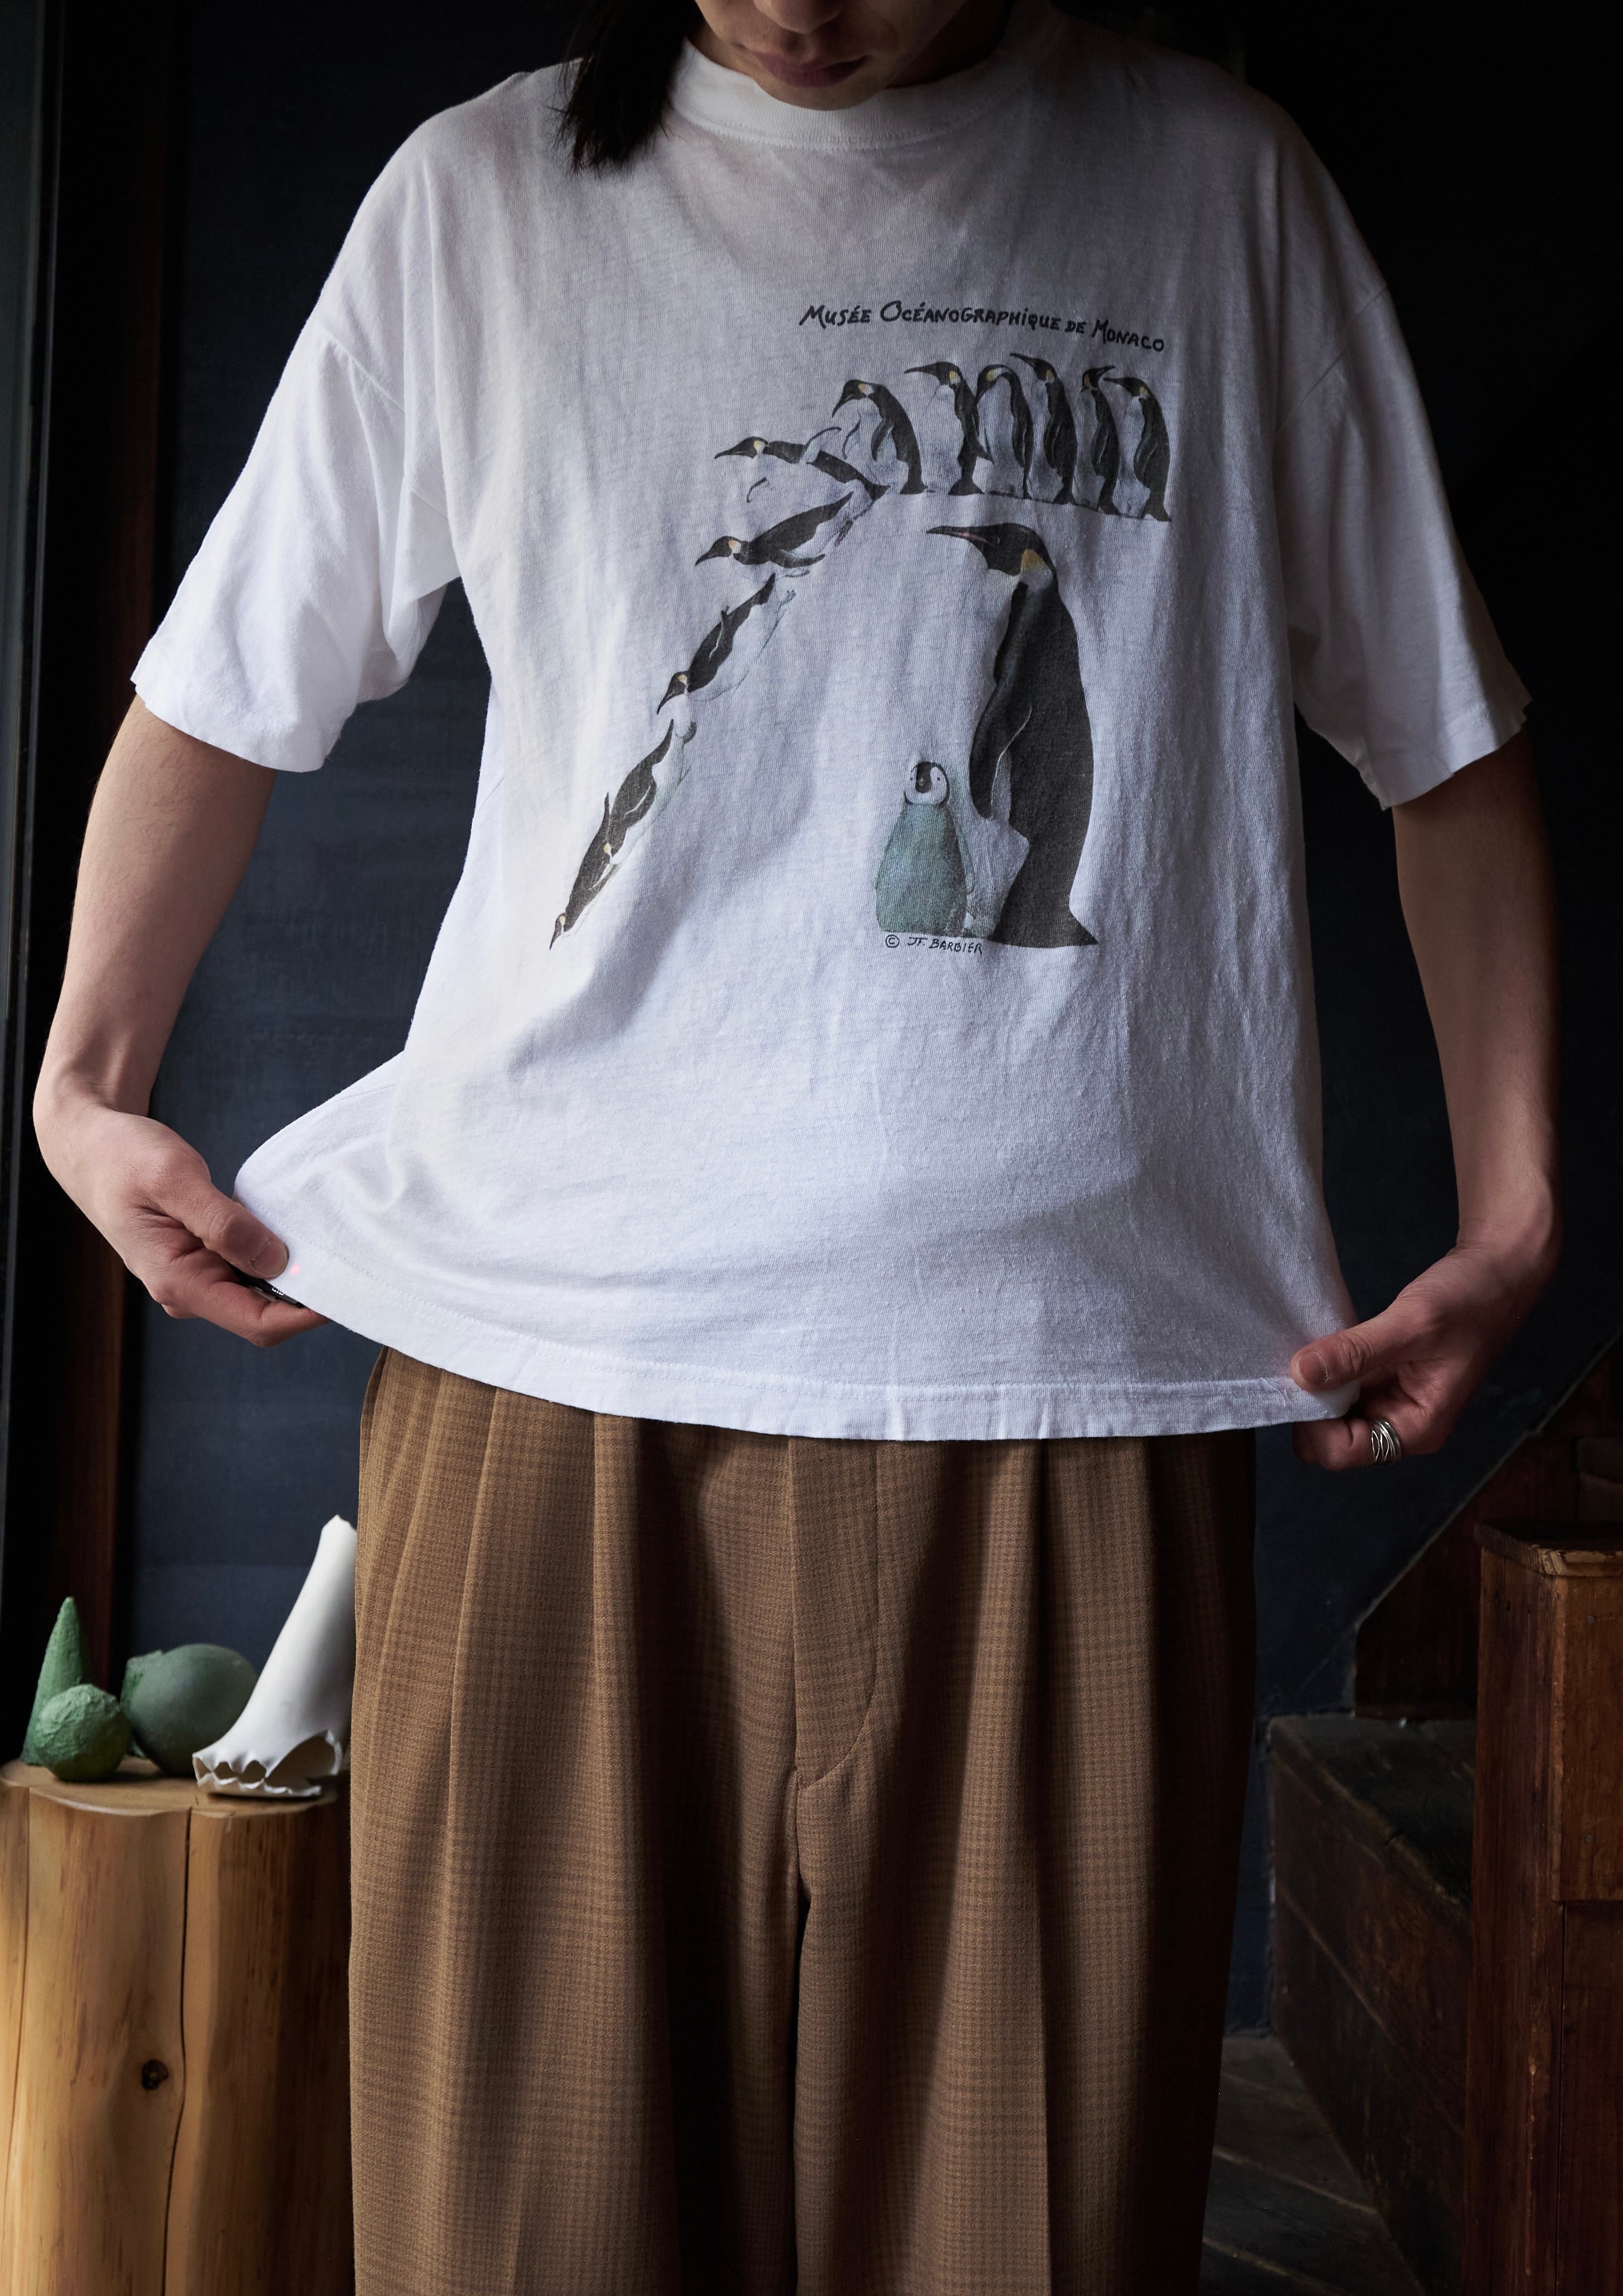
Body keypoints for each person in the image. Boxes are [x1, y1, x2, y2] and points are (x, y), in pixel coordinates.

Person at [33, 0, 1559, 2289]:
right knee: (518, 2239)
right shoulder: (482, 199)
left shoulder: (1217, 193)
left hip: (1062, 1407)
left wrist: (1518, 1204)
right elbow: (222, 681)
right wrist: (81, 1077)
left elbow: (1442, 738)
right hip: (549, 1394)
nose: (804, 14)